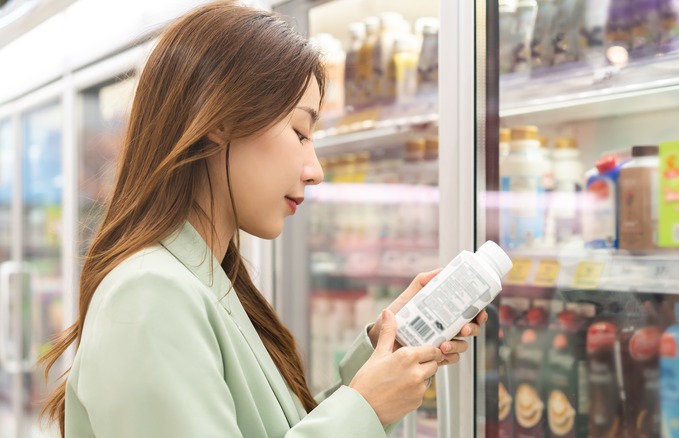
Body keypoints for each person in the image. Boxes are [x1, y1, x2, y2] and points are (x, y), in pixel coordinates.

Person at [39, 2, 486, 437]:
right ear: (219, 120)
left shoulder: (205, 282)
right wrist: (365, 408)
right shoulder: (149, 293)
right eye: (300, 133)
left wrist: (384, 356)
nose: (315, 170)